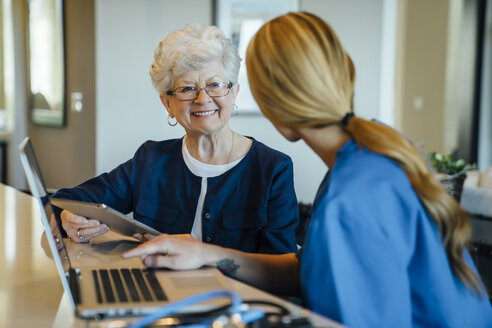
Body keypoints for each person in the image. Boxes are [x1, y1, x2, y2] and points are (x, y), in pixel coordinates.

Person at [123, 12, 492, 328]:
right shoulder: (373, 154)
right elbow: (307, 269)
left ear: (272, 107)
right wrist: (206, 255)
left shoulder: (352, 201)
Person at [51, 23, 299, 255]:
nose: (203, 99)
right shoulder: (149, 160)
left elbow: (282, 271)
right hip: (157, 294)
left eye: (215, 84)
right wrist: (65, 218)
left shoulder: (273, 170)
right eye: (187, 88)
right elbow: (65, 200)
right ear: (167, 103)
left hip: (235, 300)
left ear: (233, 92)